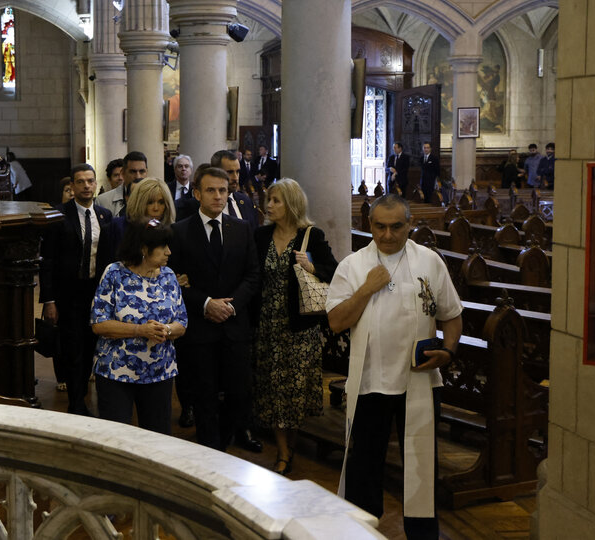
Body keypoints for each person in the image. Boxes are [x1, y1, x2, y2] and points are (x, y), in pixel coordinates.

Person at [326, 194, 463, 540]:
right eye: (379, 227)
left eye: (396, 227)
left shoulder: (429, 261)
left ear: (409, 223)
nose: (387, 235)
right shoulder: (353, 265)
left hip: (418, 382)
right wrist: (366, 290)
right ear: (368, 225)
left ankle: (422, 535)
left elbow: (452, 314)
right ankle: (362, 533)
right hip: (370, 382)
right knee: (363, 469)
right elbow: (336, 322)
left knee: (420, 468)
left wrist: (448, 350)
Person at [168, 167, 262, 453]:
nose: (218, 196)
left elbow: (252, 275)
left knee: (237, 395)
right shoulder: (180, 231)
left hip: (234, 326)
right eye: (211, 190)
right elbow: (174, 281)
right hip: (199, 328)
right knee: (204, 397)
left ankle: (222, 444)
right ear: (197, 193)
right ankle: (210, 453)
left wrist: (230, 306)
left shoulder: (242, 229)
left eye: (223, 190)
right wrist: (207, 303)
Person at [252, 179, 337, 475]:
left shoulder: (311, 236)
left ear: (292, 204)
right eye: (269, 200)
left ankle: (292, 442)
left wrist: (313, 266)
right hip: (267, 326)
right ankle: (283, 450)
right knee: (274, 390)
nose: (270, 205)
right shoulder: (261, 236)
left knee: (295, 392)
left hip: (300, 328)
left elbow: (334, 272)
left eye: (276, 200)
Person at [91, 221, 188, 434]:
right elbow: (98, 324)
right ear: (144, 248)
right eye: (163, 247)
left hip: (160, 374)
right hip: (116, 374)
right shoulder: (114, 273)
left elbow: (182, 323)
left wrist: (166, 330)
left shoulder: (169, 276)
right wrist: (140, 330)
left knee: (157, 440)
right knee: (116, 440)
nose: (169, 252)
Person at [40, 164, 114, 415]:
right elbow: (47, 260)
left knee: (92, 345)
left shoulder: (105, 216)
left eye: (90, 181)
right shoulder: (58, 216)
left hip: (96, 293)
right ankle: (76, 403)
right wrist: (48, 299)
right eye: (80, 182)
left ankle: (82, 393)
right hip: (68, 294)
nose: (86, 186)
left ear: (95, 184)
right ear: (72, 186)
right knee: (73, 349)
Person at [109, 178, 176, 256]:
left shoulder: (172, 232)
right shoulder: (118, 227)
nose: (156, 208)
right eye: (150, 202)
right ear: (139, 203)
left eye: (161, 202)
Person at [96, 151, 149, 217]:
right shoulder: (103, 201)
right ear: (123, 173)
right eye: (132, 172)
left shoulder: (156, 198)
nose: (138, 176)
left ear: (147, 172)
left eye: (142, 171)